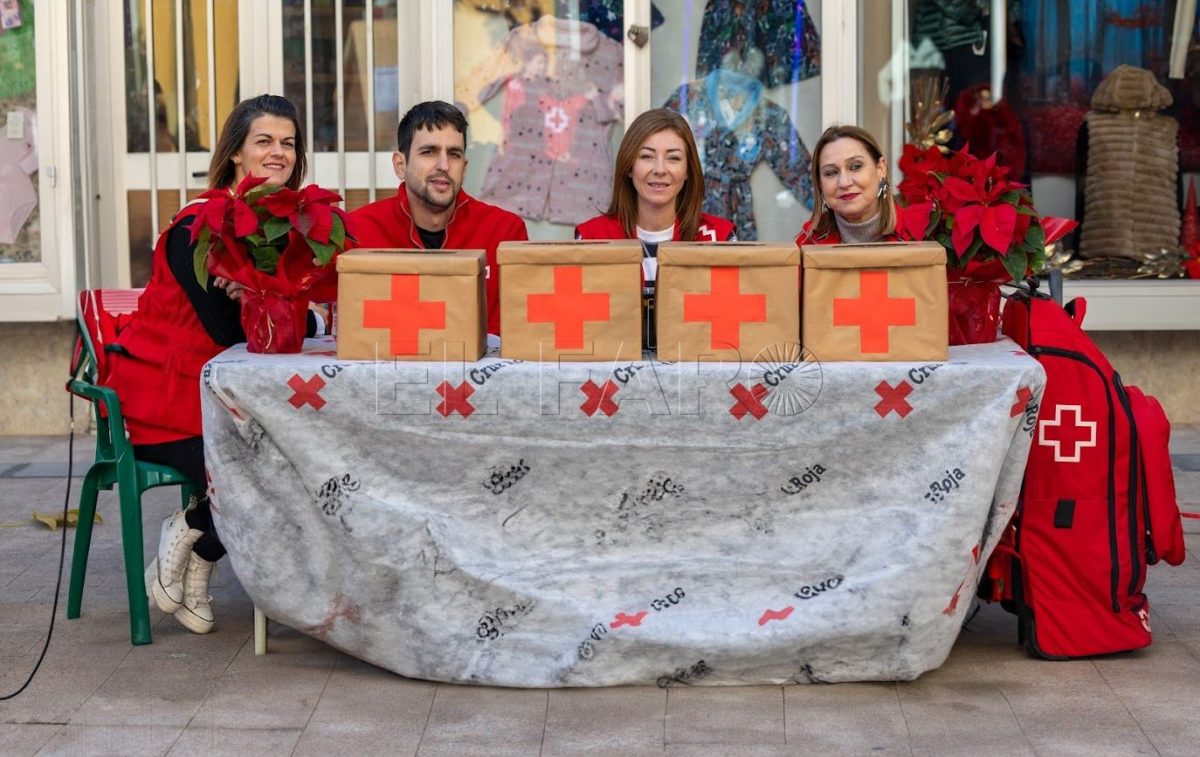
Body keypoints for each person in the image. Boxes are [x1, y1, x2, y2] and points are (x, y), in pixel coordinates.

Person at [106, 94, 318, 634]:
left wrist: (263, 298)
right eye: (264, 141)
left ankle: (194, 555)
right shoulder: (194, 228)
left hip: (221, 394)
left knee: (300, 460)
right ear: (236, 154)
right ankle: (192, 530)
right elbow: (229, 331)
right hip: (160, 399)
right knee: (266, 474)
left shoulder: (275, 228)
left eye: (288, 143)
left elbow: (280, 321)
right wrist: (275, 306)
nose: (278, 153)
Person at [350, 100, 529, 338]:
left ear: (464, 168)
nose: (444, 165)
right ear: (400, 165)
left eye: (454, 154)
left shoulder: (505, 233)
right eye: (429, 152)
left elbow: (523, 330)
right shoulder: (357, 230)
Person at [575, 108, 736, 349]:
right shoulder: (591, 238)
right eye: (647, 156)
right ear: (629, 167)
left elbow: (731, 330)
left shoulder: (721, 239)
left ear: (688, 171)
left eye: (673, 158)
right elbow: (581, 331)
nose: (660, 169)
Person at [795, 124, 900, 246]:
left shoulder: (920, 234)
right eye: (831, 172)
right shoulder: (807, 245)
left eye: (855, 167)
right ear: (820, 184)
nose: (844, 183)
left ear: (881, 169)